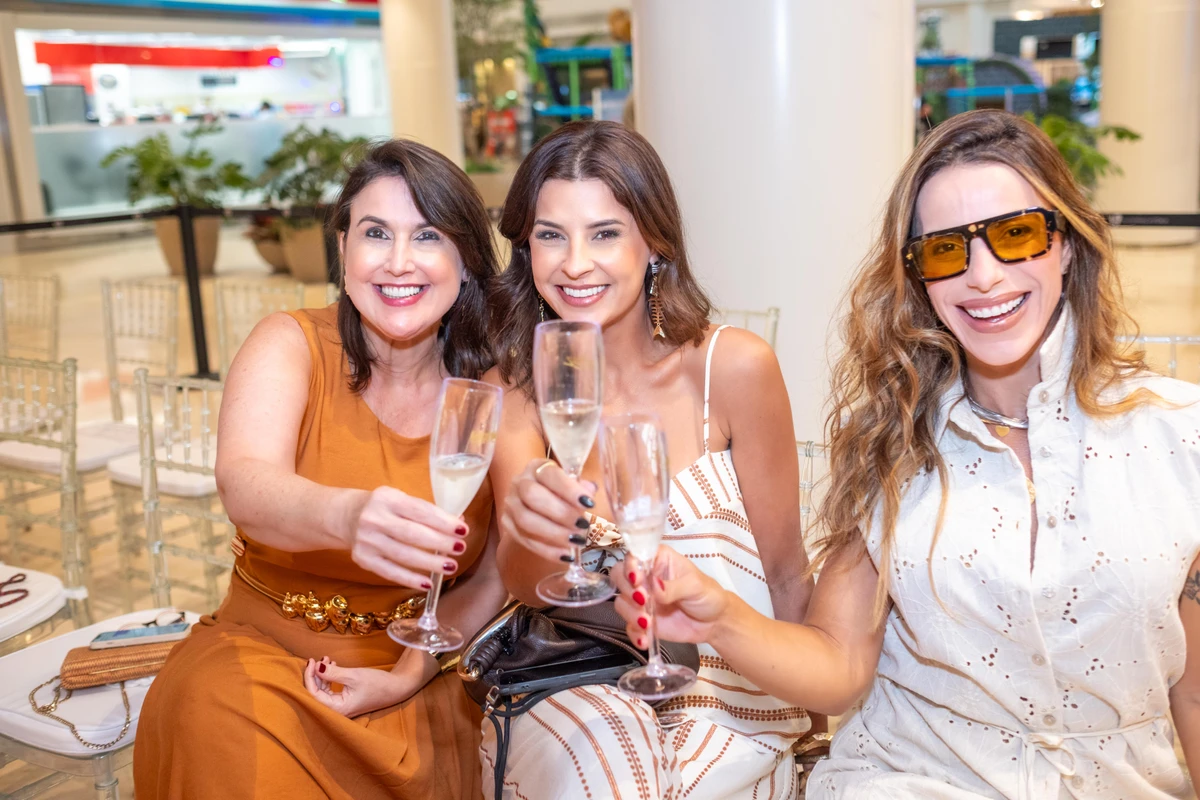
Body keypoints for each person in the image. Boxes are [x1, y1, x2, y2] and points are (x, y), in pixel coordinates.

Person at [614, 108, 1200, 799]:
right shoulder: (892, 444)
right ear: (920, 278)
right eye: (947, 251)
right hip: (916, 780)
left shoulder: (1179, 436)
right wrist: (720, 616)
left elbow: (1192, 692)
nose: (983, 276)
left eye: (1015, 234)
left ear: (1065, 244)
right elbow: (838, 664)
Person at [134, 139, 508, 800]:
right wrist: (346, 514)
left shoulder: (498, 388)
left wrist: (409, 674)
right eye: (375, 233)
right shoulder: (290, 343)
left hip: (421, 672)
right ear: (342, 249)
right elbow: (245, 482)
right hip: (263, 662)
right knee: (221, 733)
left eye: (427, 235)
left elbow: (496, 572)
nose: (398, 261)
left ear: (466, 260)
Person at [484, 119, 817, 799]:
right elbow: (522, 578)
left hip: (736, 710)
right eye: (551, 235)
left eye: (605, 233)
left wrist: (815, 731)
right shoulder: (517, 390)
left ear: (655, 242)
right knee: (612, 765)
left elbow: (786, 569)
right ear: (525, 247)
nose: (575, 264)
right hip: (579, 695)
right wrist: (532, 522)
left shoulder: (732, 369)